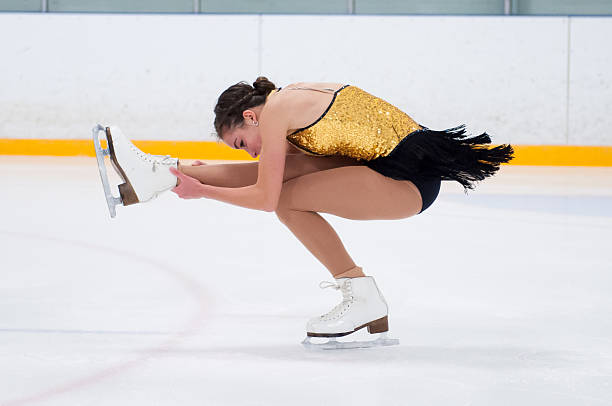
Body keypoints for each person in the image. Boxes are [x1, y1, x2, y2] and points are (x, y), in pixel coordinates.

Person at [97, 76, 514, 347]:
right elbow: (280, 169)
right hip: (390, 169)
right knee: (285, 179)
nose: (251, 149)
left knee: (284, 199)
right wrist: (199, 177)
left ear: (250, 115)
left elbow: (266, 196)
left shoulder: (277, 113)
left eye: (243, 141)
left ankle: (363, 296)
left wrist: (203, 191)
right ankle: (161, 174)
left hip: (407, 182)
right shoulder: (290, 97)